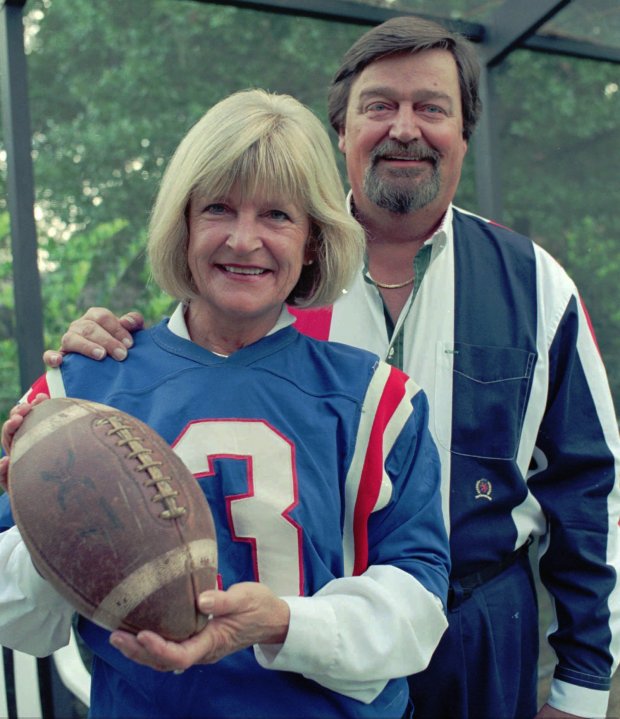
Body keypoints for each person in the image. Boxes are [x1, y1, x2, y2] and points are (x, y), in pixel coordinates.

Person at [38, 15, 620, 719]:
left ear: (464, 131)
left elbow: (588, 488)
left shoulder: (533, 282)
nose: (405, 127)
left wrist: (583, 685)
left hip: (476, 624)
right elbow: (175, 382)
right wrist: (67, 412)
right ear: (341, 130)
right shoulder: (263, 279)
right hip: (301, 648)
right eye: (379, 105)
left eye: (432, 107)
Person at [0, 89, 452, 719]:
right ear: (181, 224)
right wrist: (46, 520)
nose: (244, 240)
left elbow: (419, 610)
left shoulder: (379, 401)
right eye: (218, 208)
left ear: (315, 241)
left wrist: (284, 623)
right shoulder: (82, 390)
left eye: (276, 216)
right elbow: (19, 624)